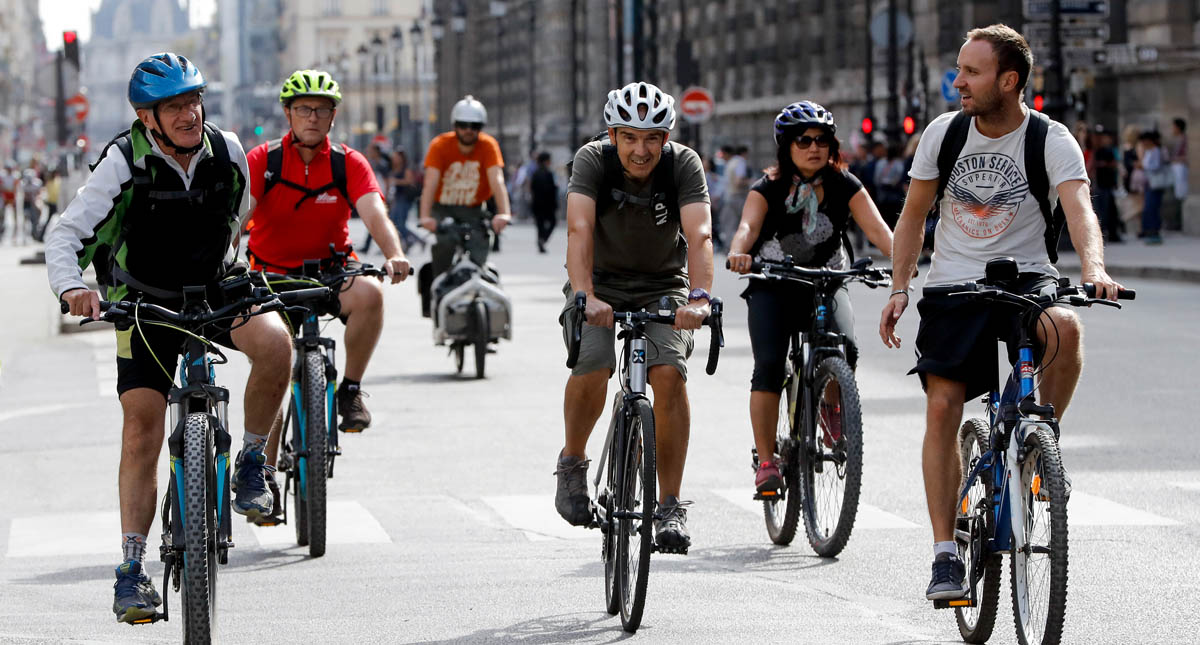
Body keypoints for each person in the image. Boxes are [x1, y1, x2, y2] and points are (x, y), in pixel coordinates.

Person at [876, 26, 1122, 601]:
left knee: (1065, 327)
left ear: (1008, 81)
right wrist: (899, 286)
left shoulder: (1050, 138)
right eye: (959, 70)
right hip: (954, 285)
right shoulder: (945, 133)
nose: (957, 82)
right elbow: (913, 216)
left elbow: (1079, 207)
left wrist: (1095, 270)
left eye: (971, 72)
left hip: (1027, 280)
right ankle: (943, 556)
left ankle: (1038, 444)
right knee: (942, 407)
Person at [46, 52, 293, 623]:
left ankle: (253, 461)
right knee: (141, 430)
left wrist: (231, 267)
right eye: (174, 106)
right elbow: (68, 235)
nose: (188, 114)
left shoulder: (228, 151)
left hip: (211, 290)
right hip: (145, 302)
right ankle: (131, 573)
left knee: (276, 344)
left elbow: (239, 216)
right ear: (146, 116)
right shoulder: (123, 161)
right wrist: (71, 290)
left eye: (193, 100)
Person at [554, 81, 713, 552]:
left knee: (669, 375)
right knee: (595, 362)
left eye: (652, 138)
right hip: (598, 282)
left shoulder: (684, 164)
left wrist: (699, 299)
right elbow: (579, 227)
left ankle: (670, 504)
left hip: (663, 285)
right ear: (613, 135)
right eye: (629, 137)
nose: (640, 150)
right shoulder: (592, 160)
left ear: (666, 139)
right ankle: (573, 462)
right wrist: (586, 295)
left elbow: (700, 234)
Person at [726, 101, 893, 493]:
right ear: (787, 146)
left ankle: (832, 407)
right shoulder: (767, 188)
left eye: (822, 140)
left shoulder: (845, 183)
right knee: (768, 367)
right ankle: (767, 461)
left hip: (827, 279)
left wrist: (904, 259)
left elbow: (879, 230)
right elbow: (747, 226)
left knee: (846, 348)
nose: (814, 147)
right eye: (804, 140)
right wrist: (739, 252)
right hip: (774, 282)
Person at [244, 68, 411, 437]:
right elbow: (239, 216)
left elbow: (373, 211)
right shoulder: (263, 160)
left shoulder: (347, 162)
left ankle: (349, 389)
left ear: (333, 116)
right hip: (271, 276)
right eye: (304, 109)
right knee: (272, 376)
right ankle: (263, 471)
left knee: (370, 292)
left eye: (322, 110)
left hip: (332, 270)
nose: (313, 118)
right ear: (288, 113)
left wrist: (394, 253)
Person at [417, 95, 511, 279]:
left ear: (480, 128)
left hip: (474, 209)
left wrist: (504, 213)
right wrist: (425, 217)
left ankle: (477, 280)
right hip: (443, 209)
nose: (468, 130)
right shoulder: (440, 145)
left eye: (474, 126)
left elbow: (497, 180)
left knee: (482, 240)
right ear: (455, 126)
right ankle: (440, 284)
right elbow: (430, 183)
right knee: (445, 242)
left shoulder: (488, 145)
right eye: (463, 125)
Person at [1138, 130, 1170, 244]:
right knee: (1149, 207)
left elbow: (1155, 166)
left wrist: (1144, 166)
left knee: (1152, 207)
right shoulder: (1149, 151)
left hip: (1155, 183)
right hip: (1149, 183)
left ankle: (1154, 231)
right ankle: (1150, 230)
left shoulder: (1156, 151)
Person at [1092, 126, 1123, 242]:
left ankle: (1111, 233)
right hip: (1100, 184)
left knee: (1108, 210)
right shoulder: (1097, 150)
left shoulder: (1108, 150)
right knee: (1102, 210)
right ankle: (1105, 233)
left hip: (1107, 184)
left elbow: (1114, 164)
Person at [530, 151, 558, 253]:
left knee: (540, 224)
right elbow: (551, 190)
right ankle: (543, 240)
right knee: (553, 222)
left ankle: (541, 242)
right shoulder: (549, 173)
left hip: (537, 204)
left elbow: (532, 188)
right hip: (548, 204)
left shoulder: (535, 173)